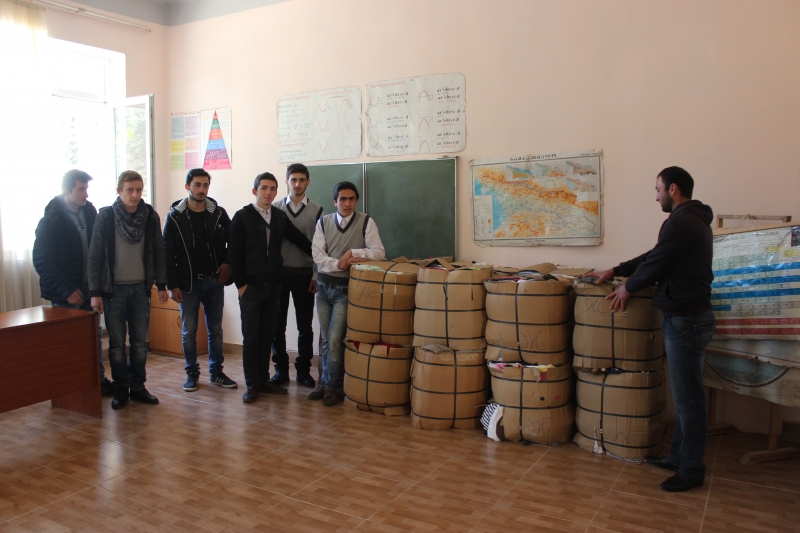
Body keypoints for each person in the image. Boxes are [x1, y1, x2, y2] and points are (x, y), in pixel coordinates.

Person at [589, 166, 714, 493]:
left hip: (686, 320)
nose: (656, 196)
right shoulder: (692, 220)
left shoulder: (681, 222)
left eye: (658, 189)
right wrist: (618, 269)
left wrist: (627, 287)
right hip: (688, 317)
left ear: (673, 188)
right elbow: (657, 255)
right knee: (685, 395)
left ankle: (691, 469)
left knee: (688, 400)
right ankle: (678, 457)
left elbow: (657, 263)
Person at [229, 172, 313, 404]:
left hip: (273, 287)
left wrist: (323, 255)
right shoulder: (242, 217)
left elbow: (298, 239)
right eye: (264, 188)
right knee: (251, 338)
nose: (268, 193)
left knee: (267, 336)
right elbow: (234, 253)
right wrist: (241, 285)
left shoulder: (278, 216)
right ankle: (252, 384)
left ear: (277, 191)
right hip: (251, 288)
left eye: (272, 189)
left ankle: (263, 379)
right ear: (255, 191)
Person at [88, 170, 168, 410]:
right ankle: (121, 386)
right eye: (130, 190)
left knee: (140, 343)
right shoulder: (106, 217)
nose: (135, 195)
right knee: (116, 344)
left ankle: (138, 386)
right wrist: (95, 292)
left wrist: (161, 285)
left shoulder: (150, 216)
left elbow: (159, 250)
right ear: (119, 191)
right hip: (114, 291)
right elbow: (95, 255)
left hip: (141, 289)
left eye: (139, 190)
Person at [33, 169, 114, 396]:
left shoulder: (90, 213)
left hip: (90, 290)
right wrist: (66, 289)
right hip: (66, 294)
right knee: (68, 342)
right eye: (80, 189)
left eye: (86, 189)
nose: (85, 194)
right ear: (66, 191)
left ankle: (97, 381)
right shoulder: (50, 221)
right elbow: (42, 261)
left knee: (93, 338)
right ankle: (69, 387)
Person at [311, 181, 385, 406]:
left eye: (352, 199)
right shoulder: (323, 222)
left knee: (335, 339)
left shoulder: (366, 221)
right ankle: (325, 382)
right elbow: (318, 256)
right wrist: (341, 263)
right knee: (325, 340)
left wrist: (353, 251)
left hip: (346, 289)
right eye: (342, 199)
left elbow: (379, 252)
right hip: (324, 288)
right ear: (335, 201)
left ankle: (331, 387)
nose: (347, 203)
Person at [163, 168, 237, 392]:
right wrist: (172, 285)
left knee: (216, 330)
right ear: (187, 186)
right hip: (188, 284)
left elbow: (234, 241)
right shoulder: (174, 217)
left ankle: (216, 373)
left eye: (205, 185)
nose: (202, 189)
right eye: (197, 185)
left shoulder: (218, 213)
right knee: (189, 331)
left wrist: (228, 262)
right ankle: (191, 374)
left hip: (214, 281)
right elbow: (167, 253)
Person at [269, 163, 323, 389]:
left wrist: (315, 275)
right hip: (279, 275)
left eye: (302, 180)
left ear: (308, 181)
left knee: (305, 326)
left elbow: (320, 247)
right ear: (287, 182)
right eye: (293, 180)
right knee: (277, 326)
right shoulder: (274, 208)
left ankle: (303, 371)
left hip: (304, 276)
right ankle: (281, 370)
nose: (297, 184)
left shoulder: (317, 210)